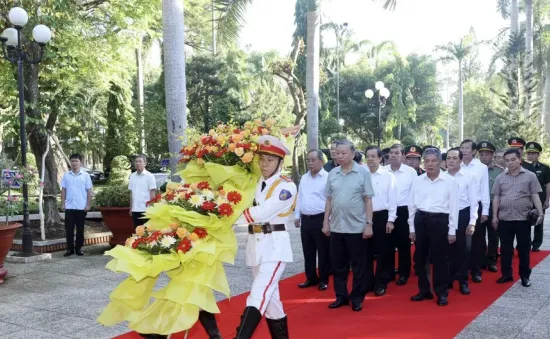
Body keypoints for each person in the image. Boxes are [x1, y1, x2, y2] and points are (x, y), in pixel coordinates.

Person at [233, 135, 296, 338]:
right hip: (255, 246)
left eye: (270, 160)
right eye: (261, 159)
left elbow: (262, 213)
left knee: (258, 294)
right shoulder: (253, 183)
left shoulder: (286, 186)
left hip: (274, 247)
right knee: (272, 302)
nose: (264, 164)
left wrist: (228, 220)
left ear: (280, 162)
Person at [323, 140, 374, 312]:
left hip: (356, 227)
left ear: (353, 154)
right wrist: (325, 222)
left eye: (344, 152)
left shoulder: (362, 173)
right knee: (338, 265)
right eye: (337, 152)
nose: (340, 155)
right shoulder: (332, 173)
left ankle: (357, 298)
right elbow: (329, 199)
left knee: (358, 266)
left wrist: (369, 224)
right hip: (337, 227)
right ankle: (341, 296)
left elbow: (368, 199)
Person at [409, 147, 458, 306]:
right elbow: (412, 206)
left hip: (440, 221)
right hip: (421, 219)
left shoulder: (449, 181)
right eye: (427, 161)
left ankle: (441, 293)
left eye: (434, 161)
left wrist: (452, 230)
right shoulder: (417, 180)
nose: (430, 164)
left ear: (440, 162)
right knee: (420, 258)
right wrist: (411, 228)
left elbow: (453, 207)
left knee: (440, 259)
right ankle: (424, 290)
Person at [492, 148, 543, 288]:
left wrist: (541, 212)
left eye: (513, 160)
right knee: (505, 249)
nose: (510, 163)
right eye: (507, 160)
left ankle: (525, 276)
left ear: (519, 159)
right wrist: (494, 216)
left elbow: (535, 195)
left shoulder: (530, 176)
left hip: (523, 219)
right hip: (504, 219)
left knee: (524, 249)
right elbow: (496, 197)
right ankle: (506, 274)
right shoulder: (500, 177)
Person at [295, 149, 330, 291]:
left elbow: (330, 200)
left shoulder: (328, 177)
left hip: (321, 218)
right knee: (308, 250)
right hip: (306, 219)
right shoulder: (304, 177)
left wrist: (328, 221)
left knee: (323, 251)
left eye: (313, 160)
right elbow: (300, 197)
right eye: (308, 160)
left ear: (321, 161)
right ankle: (311, 277)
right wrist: (297, 216)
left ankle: (323, 279)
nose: (310, 163)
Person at [364, 145, 397, 297]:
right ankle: (368, 282)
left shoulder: (388, 176)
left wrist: (391, 220)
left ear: (380, 158)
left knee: (383, 252)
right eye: (368, 156)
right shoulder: (361, 174)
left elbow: (392, 200)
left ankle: (381, 283)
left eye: (373, 156)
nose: (370, 159)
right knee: (365, 252)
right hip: (364, 218)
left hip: (382, 217)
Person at [445, 148, 477, 295]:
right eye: (449, 158)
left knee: (463, 249)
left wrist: (472, 221)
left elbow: (473, 201)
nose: (451, 161)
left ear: (460, 160)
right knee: (447, 250)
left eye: (454, 158)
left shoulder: (468, 177)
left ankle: (463, 281)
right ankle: (449, 278)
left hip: (463, 214)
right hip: (445, 216)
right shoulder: (442, 177)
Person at [385, 144, 417, 286]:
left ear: (403, 156)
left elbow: (414, 195)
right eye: (391, 153)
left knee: (404, 244)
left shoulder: (410, 172)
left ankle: (404, 273)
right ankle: (389, 272)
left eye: (396, 153)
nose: (393, 155)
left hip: (404, 211)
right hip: (386, 212)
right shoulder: (383, 171)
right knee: (387, 244)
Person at [459, 139, 489, 283]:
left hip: (477, 205)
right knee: (462, 242)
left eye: (467, 148)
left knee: (477, 241)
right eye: (462, 148)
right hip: (460, 208)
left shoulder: (480, 167)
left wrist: (486, 211)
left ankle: (476, 270)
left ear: (474, 151)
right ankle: (460, 270)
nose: (464, 150)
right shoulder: (455, 165)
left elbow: (484, 190)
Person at [61, 154, 93, 257]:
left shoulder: (85, 175)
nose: (74, 163)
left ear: (80, 162)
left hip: (81, 207)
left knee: (80, 229)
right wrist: (63, 203)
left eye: (76, 161)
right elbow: (63, 190)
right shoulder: (66, 175)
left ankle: (78, 248)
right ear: (70, 162)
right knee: (68, 229)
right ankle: (70, 249)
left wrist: (88, 205)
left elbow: (89, 191)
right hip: (69, 207)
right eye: (72, 161)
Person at [477, 141, 502, 272]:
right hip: (479, 206)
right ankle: (481, 260)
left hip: (494, 205)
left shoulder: (499, 171)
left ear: (492, 155)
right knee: (479, 235)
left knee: (493, 234)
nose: (484, 156)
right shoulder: (474, 170)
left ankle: (492, 260)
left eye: (487, 154)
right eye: (482, 154)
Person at [525, 141, 550, 252]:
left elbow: (548, 184)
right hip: (526, 199)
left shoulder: (545, 168)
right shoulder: (523, 167)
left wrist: (547, 200)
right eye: (529, 153)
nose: (530, 155)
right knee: (525, 222)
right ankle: (526, 243)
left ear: (538, 154)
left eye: (533, 153)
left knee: (539, 222)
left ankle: (536, 244)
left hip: (540, 198)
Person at [128, 155, 157, 228]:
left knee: (147, 233)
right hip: (135, 210)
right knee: (137, 232)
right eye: (136, 162)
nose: (138, 163)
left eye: (140, 162)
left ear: (145, 163)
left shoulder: (150, 176)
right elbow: (131, 193)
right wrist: (131, 208)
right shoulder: (132, 176)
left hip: (146, 210)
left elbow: (152, 193)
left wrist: (151, 208)